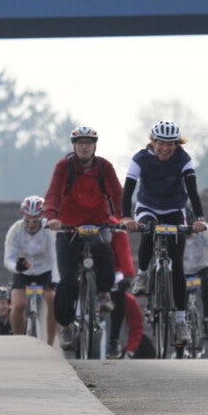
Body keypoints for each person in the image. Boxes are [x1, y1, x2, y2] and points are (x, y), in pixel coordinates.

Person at [121, 121, 208, 348]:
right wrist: (127, 217)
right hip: (148, 207)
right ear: (153, 141)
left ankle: (180, 323)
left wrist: (199, 218)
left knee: (177, 264)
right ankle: (142, 274)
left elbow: (192, 189)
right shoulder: (140, 158)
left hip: (175, 209)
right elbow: (128, 187)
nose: (165, 148)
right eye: (161, 143)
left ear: (176, 144)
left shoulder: (183, 159)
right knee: (148, 232)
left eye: (170, 144)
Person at [42, 125, 123, 347]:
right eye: (80, 143)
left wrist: (123, 217)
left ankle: (104, 292)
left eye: (88, 143)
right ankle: (66, 326)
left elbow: (117, 193)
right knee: (67, 281)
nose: (84, 147)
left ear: (95, 146)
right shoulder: (64, 167)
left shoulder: (104, 167)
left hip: (97, 224)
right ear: (74, 146)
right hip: (68, 228)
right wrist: (51, 217)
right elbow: (53, 193)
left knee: (103, 252)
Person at [4, 195, 59, 346]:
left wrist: (55, 280)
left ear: (41, 218)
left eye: (35, 221)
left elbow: (56, 257)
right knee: (18, 305)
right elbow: (8, 257)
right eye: (27, 220)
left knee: (52, 299)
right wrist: (17, 266)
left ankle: (50, 342)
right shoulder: (16, 229)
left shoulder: (48, 230)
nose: (31, 224)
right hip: (24, 272)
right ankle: (20, 340)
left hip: (45, 271)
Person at [182, 207, 208, 340]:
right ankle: (180, 320)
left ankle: (207, 318)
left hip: (203, 266)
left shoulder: (204, 230)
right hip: (182, 269)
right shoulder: (176, 231)